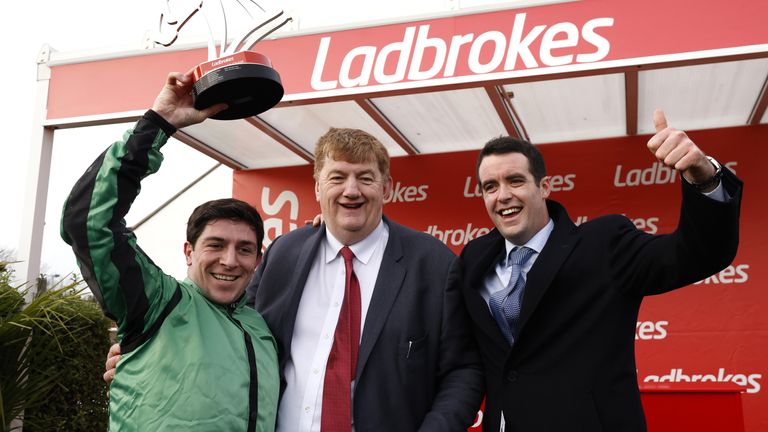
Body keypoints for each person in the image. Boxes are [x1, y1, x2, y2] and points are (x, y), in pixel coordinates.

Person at [453, 110, 743, 431]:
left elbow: (697, 254)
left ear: (544, 187)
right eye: (490, 186)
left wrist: (703, 177)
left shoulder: (604, 244)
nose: (503, 195)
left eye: (515, 180)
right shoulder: (473, 258)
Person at [62, 71, 279, 431]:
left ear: (258, 259)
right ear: (189, 251)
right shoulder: (157, 302)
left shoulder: (260, 327)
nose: (229, 260)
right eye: (215, 244)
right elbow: (87, 221)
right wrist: (158, 123)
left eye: (244, 249)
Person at [246, 127, 484, 431]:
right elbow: (244, 337)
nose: (351, 190)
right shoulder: (283, 253)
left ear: (386, 188)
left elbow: (463, 370)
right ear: (318, 187)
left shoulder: (434, 264)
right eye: (337, 177)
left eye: (365, 178)